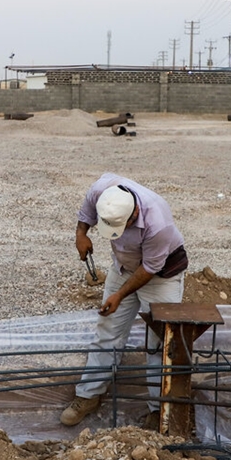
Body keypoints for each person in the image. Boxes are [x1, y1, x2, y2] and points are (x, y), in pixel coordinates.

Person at [61, 173, 188, 428]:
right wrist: (81, 234)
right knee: (107, 330)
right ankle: (89, 395)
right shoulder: (102, 190)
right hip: (124, 268)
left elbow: (149, 269)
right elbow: (85, 214)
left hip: (160, 274)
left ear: (133, 214)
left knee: (160, 343)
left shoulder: (158, 222)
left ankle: (159, 410)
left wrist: (119, 295)